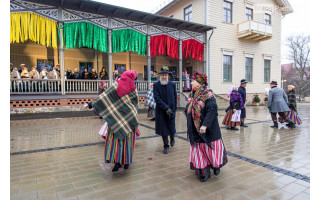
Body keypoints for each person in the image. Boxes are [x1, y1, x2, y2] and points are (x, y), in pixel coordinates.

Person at [83, 70, 140, 172]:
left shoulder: (116, 85)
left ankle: (117, 163)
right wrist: (134, 118)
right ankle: (126, 162)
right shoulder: (133, 89)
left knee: (116, 143)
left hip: (115, 121)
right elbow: (135, 107)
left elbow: (103, 97)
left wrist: (90, 104)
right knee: (127, 143)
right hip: (129, 121)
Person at [185, 72, 228, 182]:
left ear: (199, 83)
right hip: (195, 130)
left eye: (193, 81)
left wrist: (204, 125)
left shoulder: (208, 94)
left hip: (208, 129)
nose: (191, 82)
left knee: (211, 150)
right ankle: (204, 172)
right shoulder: (192, 94)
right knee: (199, 151)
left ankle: (216, 165)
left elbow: (212, 110)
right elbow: (189, 109)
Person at [153, 66, 177, 154]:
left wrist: (174, 109)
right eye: (162, 75)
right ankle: (166, 145)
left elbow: (175, 96)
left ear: (168, 76)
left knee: (171, 128)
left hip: (172, 110)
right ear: (160, 76)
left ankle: (173, 138)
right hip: (162, 111)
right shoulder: (156, 85)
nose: (164, 77)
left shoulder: (172, 84)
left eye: (165, 75)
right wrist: (165, 107)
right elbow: (157, 98)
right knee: (164, 130)